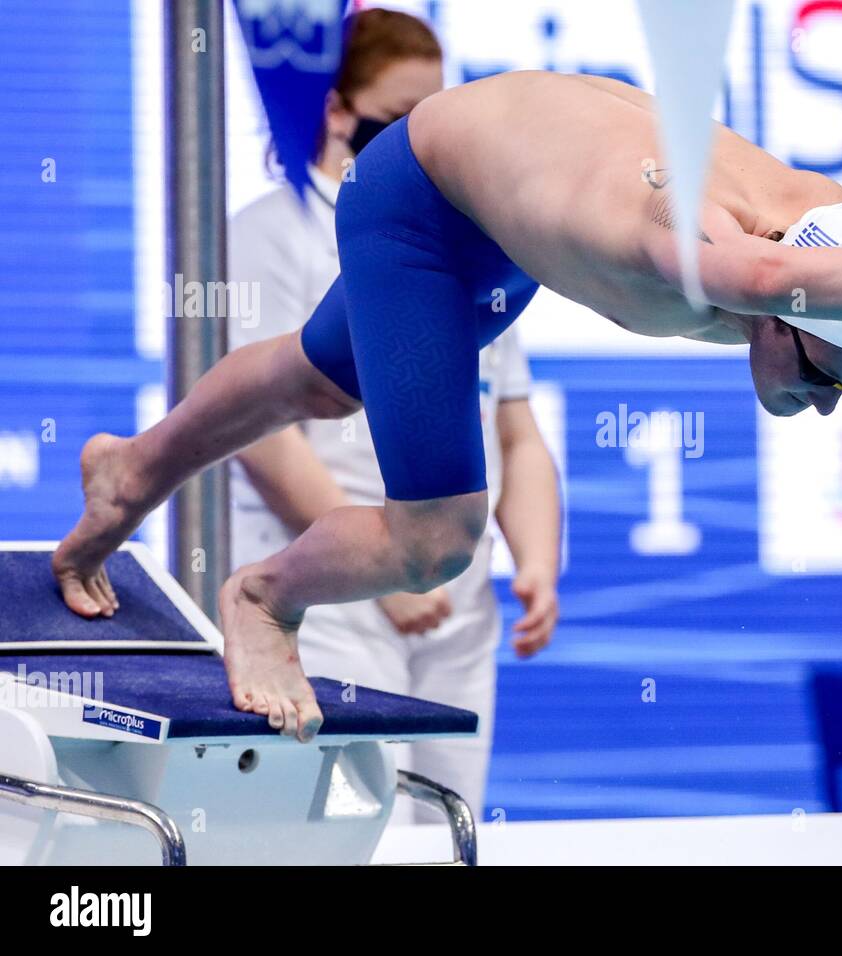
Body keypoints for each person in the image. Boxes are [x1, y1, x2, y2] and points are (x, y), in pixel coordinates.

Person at [53, 70, 842, 742]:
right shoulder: (700, 248)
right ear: (786, 323)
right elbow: (809, 282)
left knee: (317, 375)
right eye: (825, 381)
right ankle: (262, 597)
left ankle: (130, 470)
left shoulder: (823, 218)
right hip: (428, 202)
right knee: (437, 537)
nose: (820, 409)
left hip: (499, 189)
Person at [228, 10, 559, 815]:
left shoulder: (468, 243)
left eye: (435, 113)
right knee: (352, 830)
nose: (421, 138)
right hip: (333, 593)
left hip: (458, 599)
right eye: (403, 115)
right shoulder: (266, 236)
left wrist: (539, 558)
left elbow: (513, 427)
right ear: (339, 110)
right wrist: (390, 573)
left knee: (450, 827)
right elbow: (265, 438)